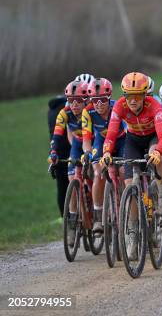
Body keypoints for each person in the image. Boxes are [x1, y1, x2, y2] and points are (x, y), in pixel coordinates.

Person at [100, 72, 162, 260]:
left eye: (137, 96)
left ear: (145, 95)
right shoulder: (120, 106)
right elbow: (112, 134)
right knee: (130, 184)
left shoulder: (154, 105)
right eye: (129, 96)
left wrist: (157, 151)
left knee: (158, 155)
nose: (133, 100)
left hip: (152, 138)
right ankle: (133, 234)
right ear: (124, 96)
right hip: (133, 140)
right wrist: (106, 152)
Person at [81, 78, 125, 235]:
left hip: (121, 140)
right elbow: (86, 140)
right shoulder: (88, 111)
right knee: (98, 173)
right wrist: (87, 153)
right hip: (100, 141)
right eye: (95, 100)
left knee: (123, 172)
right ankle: (98, 217)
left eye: (103, 100)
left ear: (109, 97)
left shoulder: (118, 107)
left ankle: (127, 201)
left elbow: (129, 130)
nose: (98, 104)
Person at [48, 80, 89, 247]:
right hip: (77, 145)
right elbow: (57, 135)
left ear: (85, 100)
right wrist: (54, 152)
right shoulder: (64, 113)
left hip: (92, 143)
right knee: (72, 179)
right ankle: (72, 223)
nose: (74, 105)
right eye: (71, 100)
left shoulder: (90, 111)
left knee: (96, 170)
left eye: (78, 100)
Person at [48, 94, 70, 216]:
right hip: (69, 150)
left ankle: (65, 218)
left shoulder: (51, 110)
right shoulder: (65, 111)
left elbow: (55, 135)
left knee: (62, 187)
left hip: (56, 152)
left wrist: (52, 152)